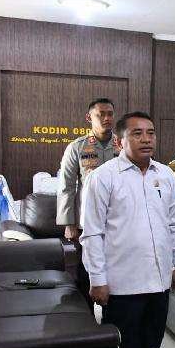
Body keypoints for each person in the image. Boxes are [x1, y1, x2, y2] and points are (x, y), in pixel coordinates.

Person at [80, 111, 175, 348]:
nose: (146, 139)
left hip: (158, 280)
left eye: (150, 133)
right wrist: (97, 279)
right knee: (127, 346)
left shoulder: (164, 174)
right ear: (119, 141)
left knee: (151, 342)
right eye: (137, 133)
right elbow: (92, 233)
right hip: (122, 283)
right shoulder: (103, 177)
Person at [57, 98, 118, 309]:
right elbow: (66, 186)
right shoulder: (77, 147)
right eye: (101, 114)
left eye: (110, 114)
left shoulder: (123, 145)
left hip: (118, 220)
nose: (107, 118)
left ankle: (114, 314)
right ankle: (86, 317)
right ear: (89, 117)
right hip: (88, 221)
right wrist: (69, 223)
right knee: (87, 270)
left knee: (116, 270)